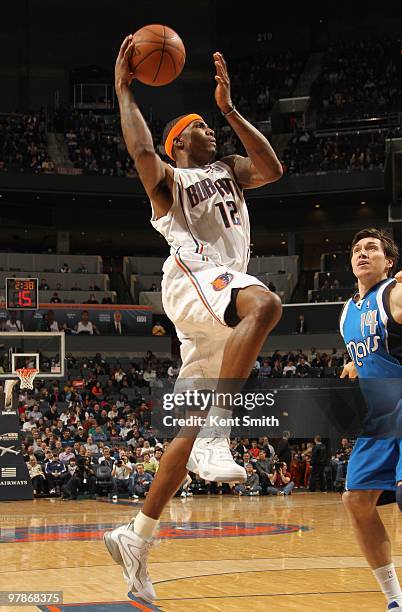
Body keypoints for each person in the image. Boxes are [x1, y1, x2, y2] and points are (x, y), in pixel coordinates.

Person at [104, 35, 283, 603]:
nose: (212, 129)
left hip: (215, 297)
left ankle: (137, 537)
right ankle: (219, 430)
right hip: (194, 280)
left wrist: (230, 108)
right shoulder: (170, 181)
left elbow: (271, 168)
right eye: (203, 125)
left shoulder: (229, 169)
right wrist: (122, 88)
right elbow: (138, 150)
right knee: (267, 305)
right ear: (178, 142)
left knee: (186, 430)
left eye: (214, 124)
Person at [339, 228, 402, 610]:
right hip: (381, 419)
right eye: (357, 248)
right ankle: (395, 599)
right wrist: (355, 364)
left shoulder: (393, 293)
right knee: (357, 500)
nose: (363, 253)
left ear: (388, 262)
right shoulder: (347, 312)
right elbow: (377, 346)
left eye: (372, 248)